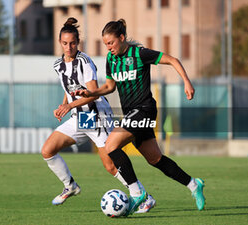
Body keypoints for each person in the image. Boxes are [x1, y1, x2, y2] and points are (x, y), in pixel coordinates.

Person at [72, 19, 205, 211]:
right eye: (105, 44)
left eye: (111, 43)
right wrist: (90, 93)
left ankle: (136, 193)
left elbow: (173, 60)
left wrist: (186, 82)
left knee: (111, 145)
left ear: (122, 38)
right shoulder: (111, 60)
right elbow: (109, 87)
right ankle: (194, 184)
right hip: (132, 114)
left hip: (144, 109)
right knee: (155, 159)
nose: (108, 48)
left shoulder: (140, 54)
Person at [41, 17, 155, 214]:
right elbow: (70, 89)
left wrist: (70, 106)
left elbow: (91, 94)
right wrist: (64, 104)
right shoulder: (58, 65)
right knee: (47, 150)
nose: (69, 47)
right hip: (78, 117)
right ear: (60, 42)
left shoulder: (85, 62)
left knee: (111, 166)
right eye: (65, 43)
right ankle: (70, 186)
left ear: (78, 43)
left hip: (97, 117)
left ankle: (143, 196)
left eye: (73, 43)